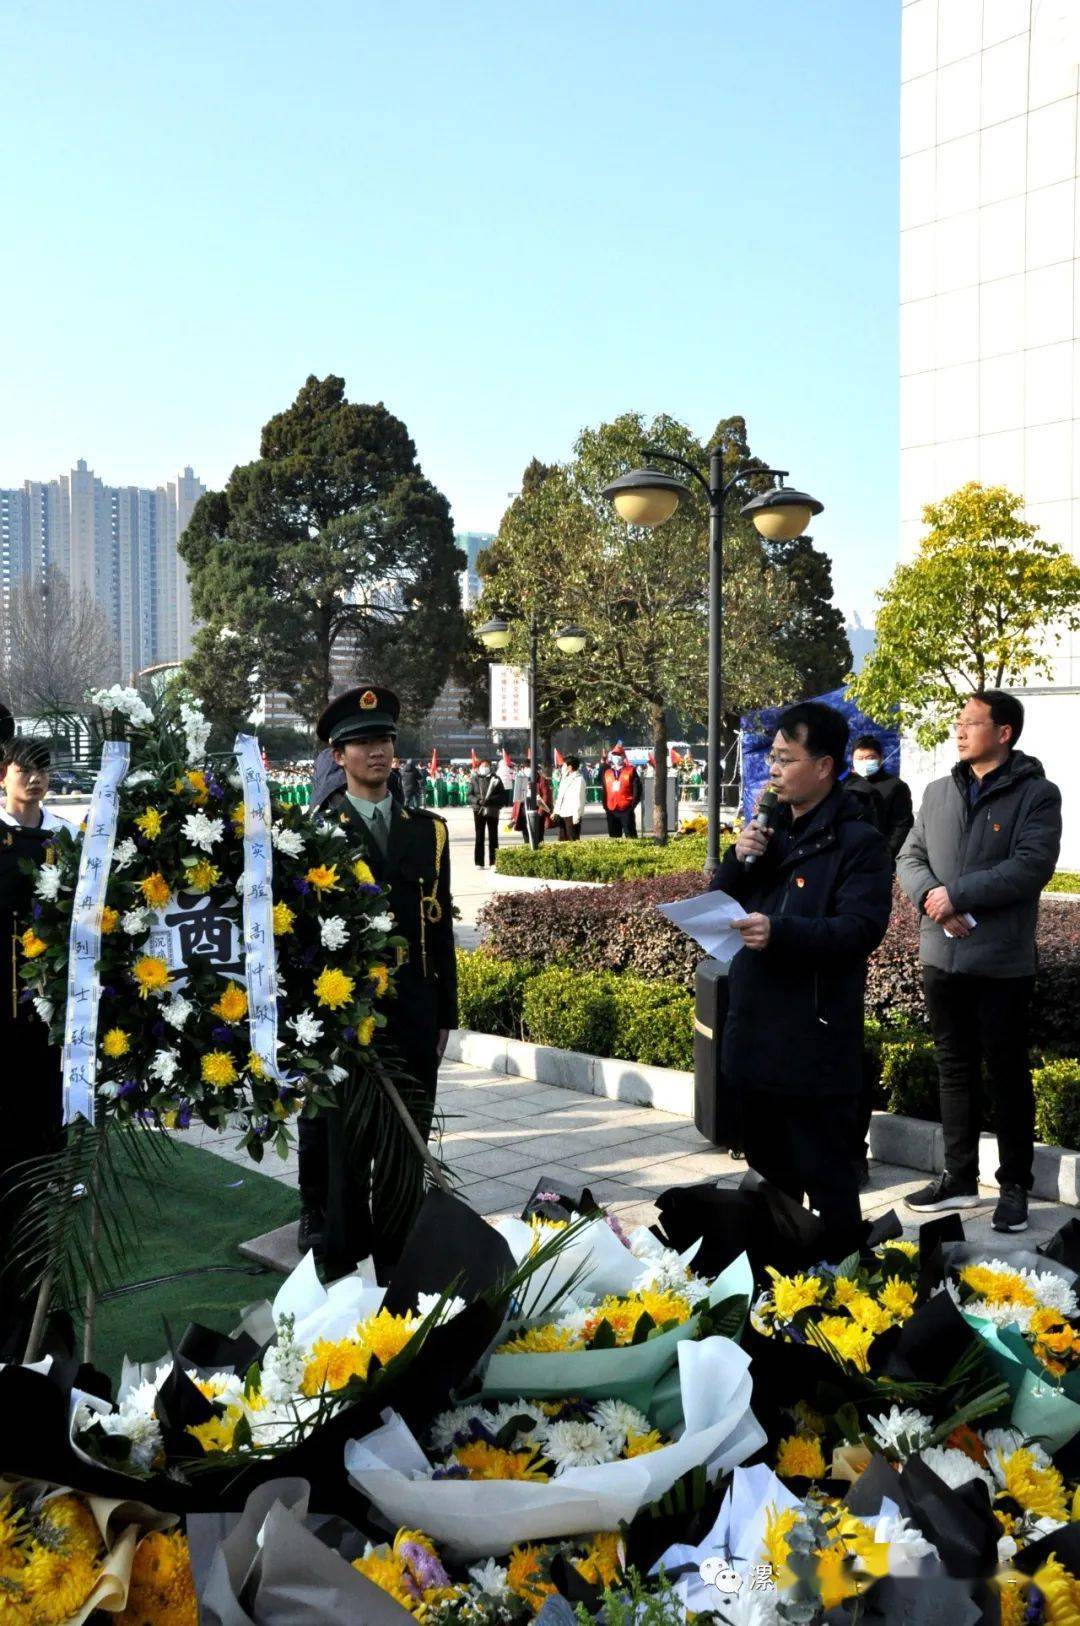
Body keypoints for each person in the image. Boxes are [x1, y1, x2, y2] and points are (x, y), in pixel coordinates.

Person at [711, 700, 893, 1254]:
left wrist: (782, 933)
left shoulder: (857, 841)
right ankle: (777, 1285)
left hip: (815, 1041)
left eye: (786, 759)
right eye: (772, 758)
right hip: (754, 1031)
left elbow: (861, 929)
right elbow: (725, 900)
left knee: (830, 1181)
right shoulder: (767, 830)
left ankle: (843, 1295)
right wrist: (736, 860)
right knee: (770, 1180)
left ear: (824, 766)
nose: (774, 770)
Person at [297, 686, 456, 1279]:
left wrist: (446, 1013)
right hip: (345, 1017)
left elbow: (439, 928)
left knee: (405, 1145)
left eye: (385, 739)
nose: (378, 751)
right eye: (363, 742)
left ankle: (398, 1267)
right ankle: (337, 1268)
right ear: (338, 756)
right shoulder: (317, 832)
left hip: (413, 1011)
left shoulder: (429, 831)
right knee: (346, 1147)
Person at [897, 691, 1062, 1232]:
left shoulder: (1037, 795)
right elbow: (909, 855)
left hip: (1001, 962)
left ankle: (1015, 1186)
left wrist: (957, 895)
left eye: (971, 722)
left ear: (1005, 732)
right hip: (941, 954)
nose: (959, 730)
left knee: (1007, 1073)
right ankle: (959, 1179)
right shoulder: (939, 791)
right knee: (954, 1068)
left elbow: (1030, 866)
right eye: (958, 722)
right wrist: (932, 900)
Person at [0, 730, 71, 1347]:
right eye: (25, 768)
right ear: (5, 774)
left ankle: (43, 1294)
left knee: (45, 1152)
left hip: (47, 1026)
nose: (34, 779)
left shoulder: (64, 839)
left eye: (43, 769)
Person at [844, 736, 914, 862]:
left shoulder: (896, 786)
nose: (864, 762)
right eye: (860, 758)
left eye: (870, 758)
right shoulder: (845, 785)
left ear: (881, 758)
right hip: (848, 856)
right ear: (852, 759)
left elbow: (901, 825)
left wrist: (886, 854)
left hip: (879, 857)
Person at [467, 757, 507, 867]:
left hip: (492, 810)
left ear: (490, 767)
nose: (485, 768)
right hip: (478, 811)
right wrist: (478, 801)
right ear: (479, 767)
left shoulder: (496, 779)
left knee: (493, 836)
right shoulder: (474, 779)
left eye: (487, 766)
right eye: (483, 766)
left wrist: (490, 800)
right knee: (479, 836)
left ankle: (494, 861)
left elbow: (502, 796)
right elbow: (469, 795)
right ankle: (479, 862)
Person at [602, 747, 641, 839]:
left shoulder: (631, 771)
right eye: (614, 755)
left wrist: (632, 805)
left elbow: (637, 789)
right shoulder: (607, 772)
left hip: (626, 808)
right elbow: (604, 791)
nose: (616, 757)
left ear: (623, 757)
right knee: (614, 837)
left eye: (619, 755)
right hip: (611, 809)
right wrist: (605, 807)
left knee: (630, 835)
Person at [553, 754, 587, 840]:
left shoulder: (579, 780)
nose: (562, 767)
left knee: (572, 840)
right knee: (562, 840)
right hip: (562, 814)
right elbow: (560, 797)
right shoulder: (565, 778)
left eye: (564, 765)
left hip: (572, 815)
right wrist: (556, 811)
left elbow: (580, 799)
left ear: (570, 767)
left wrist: (577, 816)